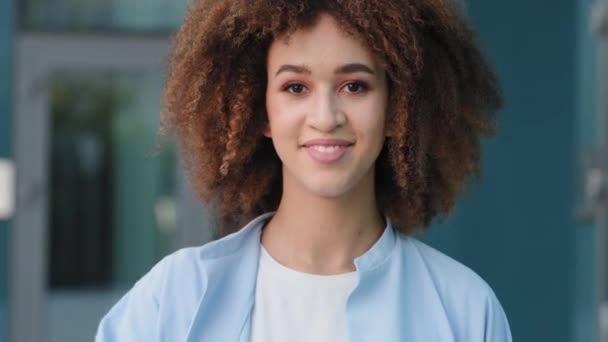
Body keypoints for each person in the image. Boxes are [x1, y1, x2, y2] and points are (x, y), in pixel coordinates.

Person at [96, 0, 511, 341]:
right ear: (260, 110)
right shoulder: (174, 298)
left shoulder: (464, 309)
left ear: (396, 111)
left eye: (355, 86)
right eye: (296, 87)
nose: (326, 117)